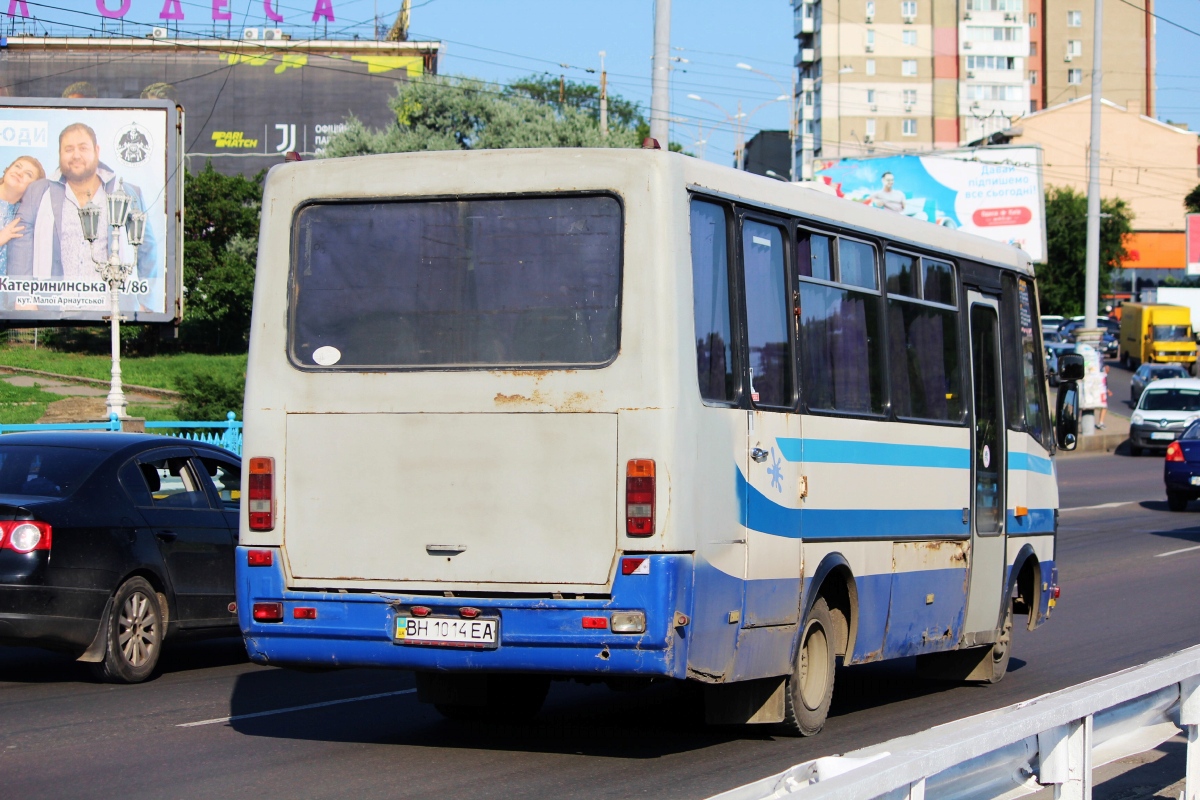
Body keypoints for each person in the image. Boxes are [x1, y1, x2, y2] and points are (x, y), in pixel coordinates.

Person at [7, 122, 156, 280]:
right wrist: (22, 299)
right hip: (52, 302)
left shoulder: (126, 193)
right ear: (59, 153)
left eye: (83, 148)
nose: (76, 155)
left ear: (96, 151)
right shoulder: (38, 191)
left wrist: (146, 303)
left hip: (113, 303)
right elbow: (20, 245)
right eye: (69, 149)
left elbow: (147, 250)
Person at [0, 155, 45, 276]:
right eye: (17, 166)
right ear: (7, 170)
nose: (19, 173)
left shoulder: (25, 216)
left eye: (28, 174)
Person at [1096, 364, 1112, 429]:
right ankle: (1100, 423)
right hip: (1101, 394)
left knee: (1104, 407)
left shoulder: (1102, 375)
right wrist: (1106, 391)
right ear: (1106, 369)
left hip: (1101, 393)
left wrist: (1108, 391)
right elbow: (1102, 385)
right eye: (1108, 369)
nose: (1109, 371)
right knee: (1104, 407)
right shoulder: (1103, 375)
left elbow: (1104, 385)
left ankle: (1100, 422)